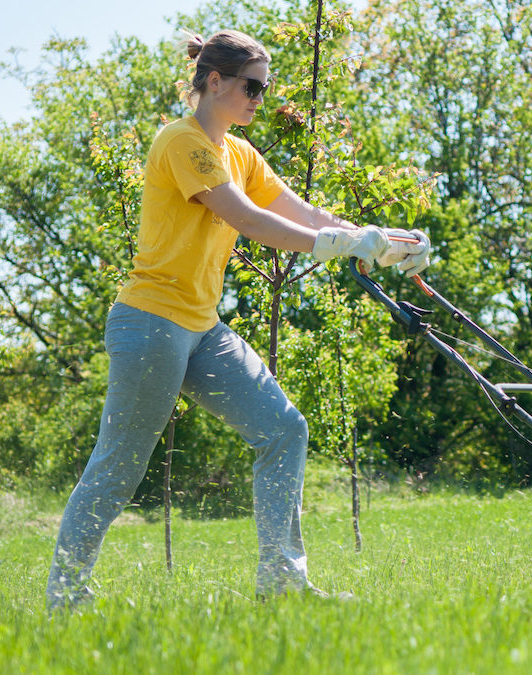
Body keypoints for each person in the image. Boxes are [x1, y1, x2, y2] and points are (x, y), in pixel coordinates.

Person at [45, 29, 429, 610]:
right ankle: (66, 601)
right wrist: (340, 244)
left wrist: (380, 242)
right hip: (150, 323)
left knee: (283, 429)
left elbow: (298, 212)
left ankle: (282, 585)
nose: (260, 99)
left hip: (201, 328)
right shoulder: (182, 141)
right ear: (214, 81)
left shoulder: (241, 153)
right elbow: (247, 220)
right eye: (251, 86)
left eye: (266, 89)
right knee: (119, 466)